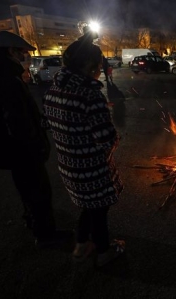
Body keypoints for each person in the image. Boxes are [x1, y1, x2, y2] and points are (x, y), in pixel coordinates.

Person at [0, 31, 72, 248]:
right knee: (39, 191)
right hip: (22, 150)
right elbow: (17, 119)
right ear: (10, 51)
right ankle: (46, 235)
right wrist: (35, 146)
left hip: (9, 149)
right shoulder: (6, 77)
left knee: (26, 189)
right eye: (22, 53)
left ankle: (32, 220)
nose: (25, 57)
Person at [42, 34, 125, 266]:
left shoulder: (52, 91)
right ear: (89, 66)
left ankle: (81, 245)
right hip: (92, 168)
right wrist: (113, 133)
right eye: (99, 65)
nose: (101, 69)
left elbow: (48, 123)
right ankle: (103, 252)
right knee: (99, 210)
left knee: (89, 207)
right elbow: (105, 138)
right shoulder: (89, 95)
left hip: (69, 166)